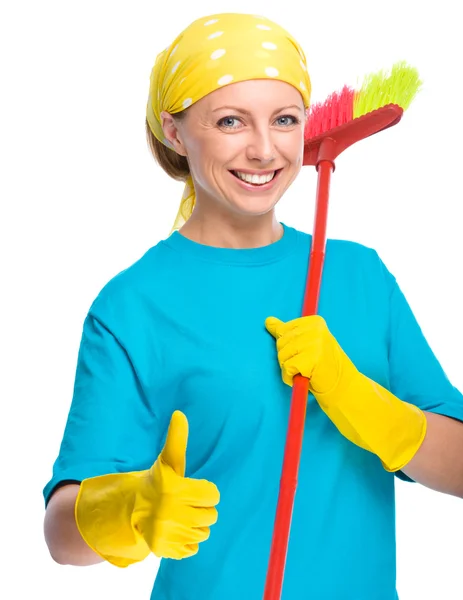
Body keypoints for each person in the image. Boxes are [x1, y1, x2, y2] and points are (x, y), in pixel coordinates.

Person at [43, 12, 463, 600]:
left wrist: (370, 407)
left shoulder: (359, 275)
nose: (264, 150)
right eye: (231, 121)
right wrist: (133, 508)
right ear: (174, 131)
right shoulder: (134, 305)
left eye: (285, 120)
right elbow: (61, 534)